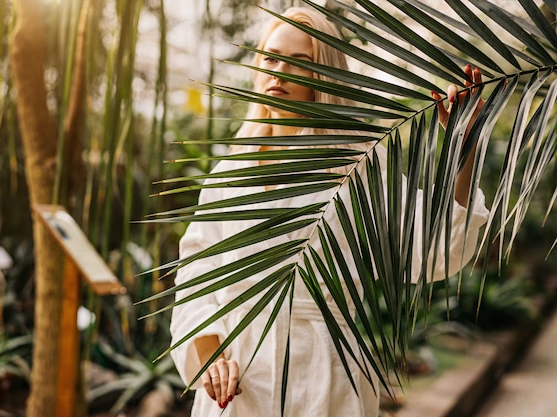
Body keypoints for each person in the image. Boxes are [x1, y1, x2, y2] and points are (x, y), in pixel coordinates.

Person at [169, 6, 489, 417]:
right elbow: (196, 277)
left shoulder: (354, 165)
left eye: (300, 63)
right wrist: (211, 357)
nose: (279, 72)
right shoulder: (231, 173)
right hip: (238, 392)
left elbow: (432, 250)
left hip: (326, 380)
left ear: (324, 76)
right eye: (271, 57)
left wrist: (464, 148)